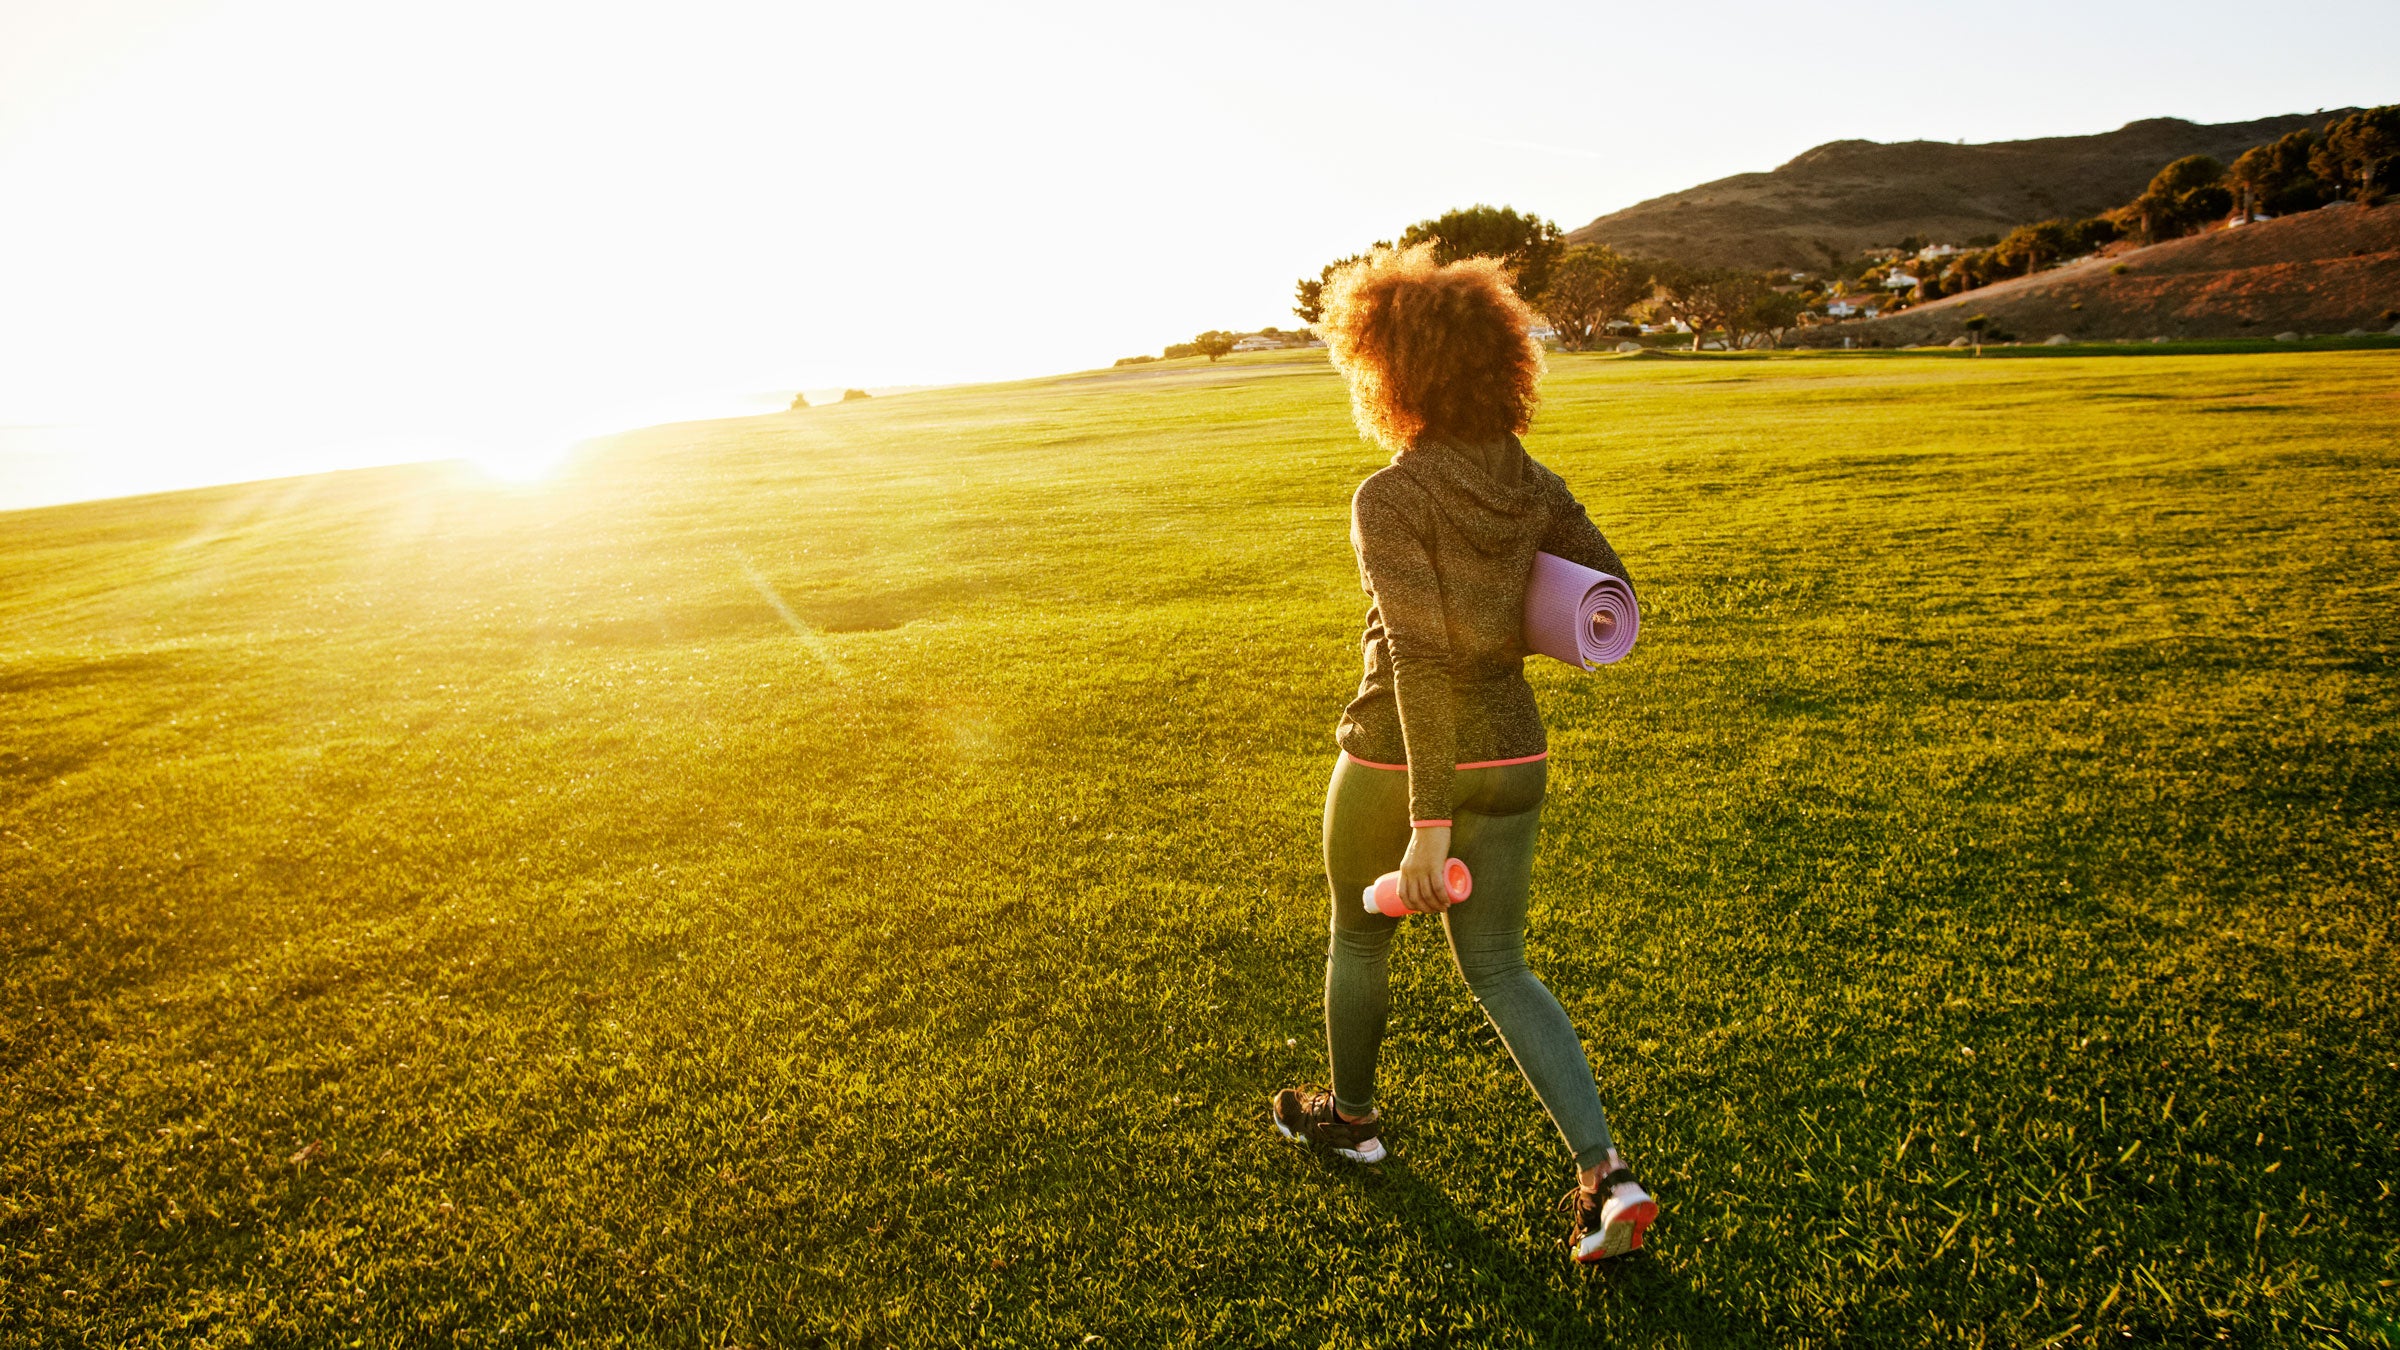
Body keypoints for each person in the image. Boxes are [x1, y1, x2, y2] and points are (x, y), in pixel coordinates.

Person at [1269, 244, 1659, 1263]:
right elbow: (1609, 595)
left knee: (1359, 939)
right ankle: (1606, 1176)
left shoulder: (1390, 497)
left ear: (1387, 371)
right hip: (1515, 759)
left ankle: (1351, 1121)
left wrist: (1425, 826)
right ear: (1496, 362)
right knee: (1498, 965)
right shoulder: (1535, 483)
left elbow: (1417, 658)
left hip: (1403, 765)